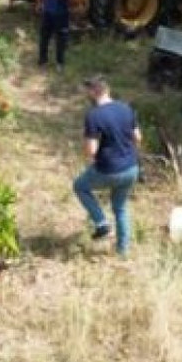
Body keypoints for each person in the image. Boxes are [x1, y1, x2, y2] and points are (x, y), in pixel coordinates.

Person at [73, 74, 142, 255]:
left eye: (88, 91)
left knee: (80, 186)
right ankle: (123, 251)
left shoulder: (94, 116)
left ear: (93, 92)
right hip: (131, 168)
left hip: (109, 169)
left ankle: (101, 223)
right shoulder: (126, 108)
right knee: (120, 207)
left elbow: (92, 150)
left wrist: (87, 148)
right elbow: (138, 138)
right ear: (107, 89)